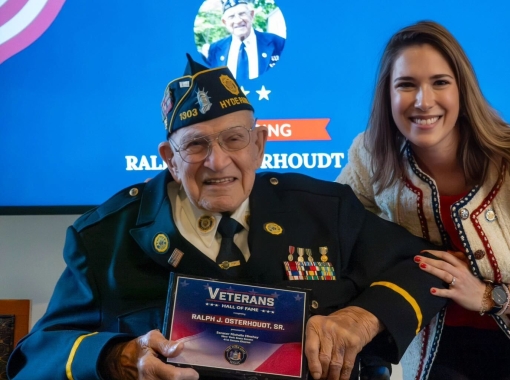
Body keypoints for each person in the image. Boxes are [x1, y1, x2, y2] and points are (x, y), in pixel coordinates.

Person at [6, 55, 447, 380]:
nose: (218, 162)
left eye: (234, 140)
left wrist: (359, 319)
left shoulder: (324, 209)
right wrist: (118, 357)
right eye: (195, 145)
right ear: (170, 159)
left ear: (258, 145)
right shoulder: (104, 238)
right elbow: (35, 356)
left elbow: (425, 265)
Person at [336, 21, 510, 379]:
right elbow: (337, 236)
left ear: (462, 90)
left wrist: (488, 296)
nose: (423, 101)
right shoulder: (370, 155)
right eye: (406, 85)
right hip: (435, 348)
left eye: (440, 82)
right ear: (386, 95)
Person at [204, 0, 285, 81]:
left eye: (242, 14)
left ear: (252, 15)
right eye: (231, 16)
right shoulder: (214, 50)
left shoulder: (278, 43)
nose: (238, 20)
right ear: (225, 22)